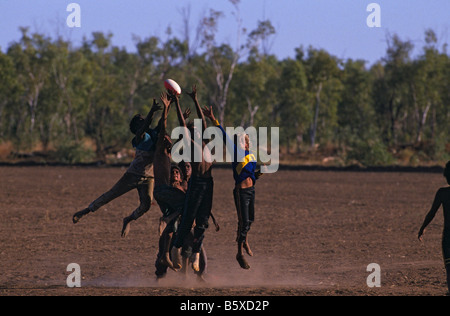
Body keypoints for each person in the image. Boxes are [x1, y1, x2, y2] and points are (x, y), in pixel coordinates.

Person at [72, 100, 161, 238]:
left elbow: (162, 124)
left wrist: (168, 106)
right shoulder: (140, 137)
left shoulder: (153, 135)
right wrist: (152, 111)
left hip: (149, 177)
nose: (144, 121)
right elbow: (145, 127)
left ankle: (128, 219)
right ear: (137, 128)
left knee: (146, 205)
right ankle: (86, 211)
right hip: (133, 174)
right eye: (140, 121)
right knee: (111, 194)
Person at [202, 105, 262, 270]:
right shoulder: (235, 152)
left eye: (243, 138)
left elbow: (251, 175)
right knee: (243, 221)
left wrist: (259, 173)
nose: (241, 140)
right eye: (239, 139)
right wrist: (213, 118)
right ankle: (239, 253)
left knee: (250, 220)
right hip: (241, 192)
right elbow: (222, 134)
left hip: (251, 191)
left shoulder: (251, 155)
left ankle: (244, 240)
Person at [171, 85, 214, 273]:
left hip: (208, 184)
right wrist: (177, 103)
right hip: (196, 183)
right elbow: (182, 123)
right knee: (188, 219)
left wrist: (196, 100)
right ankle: (175, 248)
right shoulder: (190, 143)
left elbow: (203, 122)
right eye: (194, 129)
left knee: (203, 221)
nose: (198, 130)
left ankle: (196, 253)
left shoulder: (205, 141)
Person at [418, 161, 450, 294]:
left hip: (448, 237)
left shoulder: (442, 193)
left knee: (449, 266)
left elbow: (432, 213)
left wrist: (423, 228)